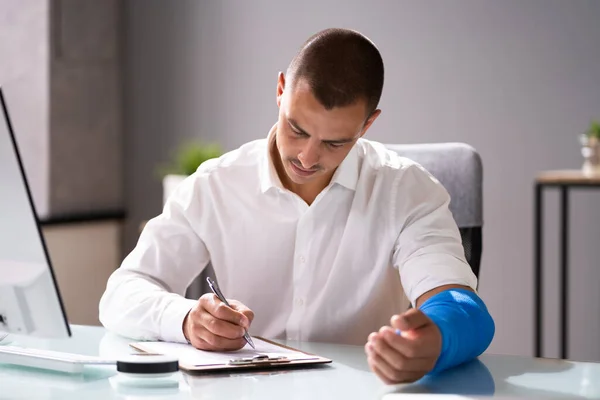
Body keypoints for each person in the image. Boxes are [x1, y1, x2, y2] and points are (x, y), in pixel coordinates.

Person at [99, 27, 494, 384]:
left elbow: (463, 307)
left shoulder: (409, 190)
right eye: (296, 128)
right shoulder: (214, 185)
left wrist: (437, 338)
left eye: (335, 143)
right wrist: (185, 319)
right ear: (281, 89)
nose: (307, 157)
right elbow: (122, 293)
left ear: (368, 125)